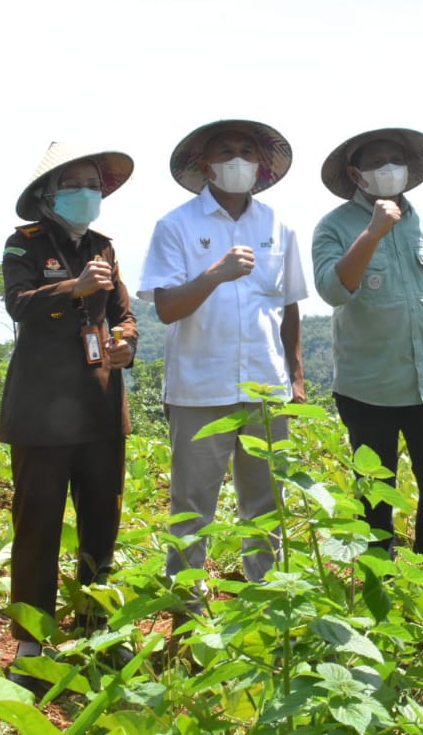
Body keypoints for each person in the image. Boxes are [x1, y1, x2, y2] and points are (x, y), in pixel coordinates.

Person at [138, 119, 307, 598]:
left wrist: (295, 376)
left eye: (247, 152)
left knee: (267, 504)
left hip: (265, 388)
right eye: (226, 152)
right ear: (205, 165)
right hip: (199, 389)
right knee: (192, 506)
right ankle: (187, 606)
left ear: (261, 164)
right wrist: (215, 274)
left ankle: (270, 600)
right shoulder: (176, 225)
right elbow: (167, 308)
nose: (238, 160)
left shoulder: (278, 225)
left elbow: (289, 305)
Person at [0, 143, 138, 685]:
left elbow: (124, 316)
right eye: (74, 185)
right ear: (48, 195)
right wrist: (72, 288)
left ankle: (96, 629)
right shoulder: (24, 243)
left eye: (93, 185)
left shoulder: (104, 246)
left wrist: (125, 343)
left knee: (102, 521)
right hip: (40, 411)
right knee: (37, 526)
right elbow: (18, 302)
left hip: (100, 407)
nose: (87, 194)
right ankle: (31, 644)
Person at [312, 127, 423, 562]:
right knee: (375, 494)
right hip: (368, 389)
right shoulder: (334, 226)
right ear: (355, 174)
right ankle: (380, 575)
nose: (388, 169)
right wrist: (373, 233)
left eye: (395, 160)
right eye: (376, 162)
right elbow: (333, 290)